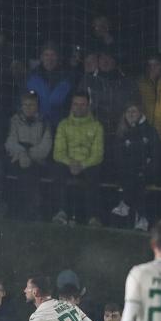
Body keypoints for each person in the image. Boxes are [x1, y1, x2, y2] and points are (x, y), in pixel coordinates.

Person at [51, 92, 104, 226]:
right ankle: (61, 212)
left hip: (87, 164)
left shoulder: (97, 126)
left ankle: (93, 217)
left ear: (88, 106)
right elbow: (58, 152)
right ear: (71, 106)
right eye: (76, 104)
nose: (79, 107)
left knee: (94, 172)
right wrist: (71, 163)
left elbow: (98, 154)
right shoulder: (63, 125)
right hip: (68, 163)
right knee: (58, 169)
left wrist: (82, 165)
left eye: (82, 104)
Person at [110, 104, 159, 231]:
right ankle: (141, 217)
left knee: (138, 177)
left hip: (145, 172)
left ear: (141, 113)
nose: (131, 114)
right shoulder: (121, 131)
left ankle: (125, 203)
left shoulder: (150, 131)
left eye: (134, 111)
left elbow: (155, 156)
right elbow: (117, 156)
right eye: (128, 111)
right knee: (134, 177)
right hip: (127, 173)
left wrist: (145, 169)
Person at [5, 91, 53, 220]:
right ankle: (31, 208)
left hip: (38, 160)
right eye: (25, 105)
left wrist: (29, 154)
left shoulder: (45, 122)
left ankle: (30, 209)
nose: (28, 108)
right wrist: (22, 154)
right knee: (23, 171)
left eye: (31, 105)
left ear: (37, 106)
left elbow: (46, 146)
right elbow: (10, 141)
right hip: (18, 159)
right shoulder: (14, 120)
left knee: (30, 171)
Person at [25, 42, 73, 128]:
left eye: (53, 54)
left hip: (61, 127)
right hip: (36, 126)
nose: (49, 58)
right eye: (46, 54)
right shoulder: (31, 77)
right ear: (41, 57)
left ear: (58, 57)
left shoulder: (68, 78)